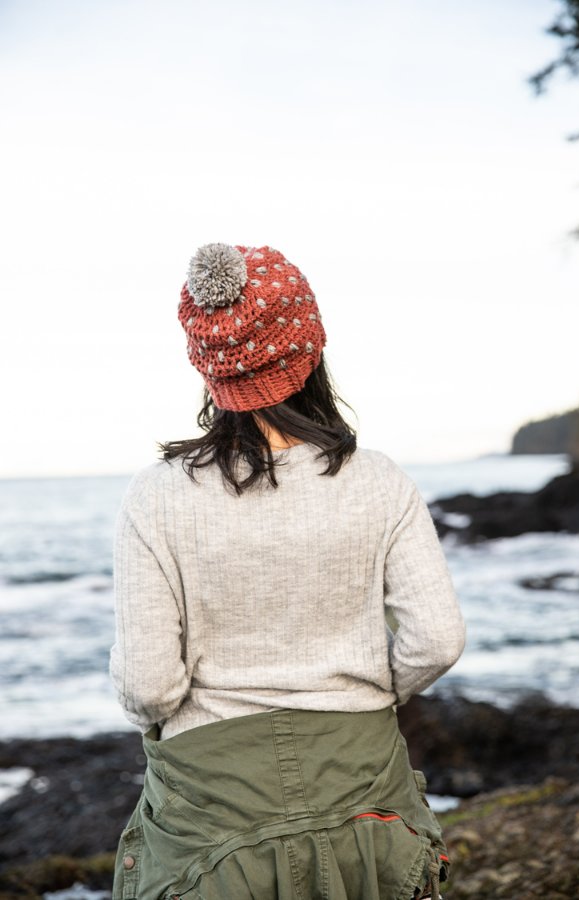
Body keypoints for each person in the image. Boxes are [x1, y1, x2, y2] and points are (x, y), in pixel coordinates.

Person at [109, 242, 466, 900]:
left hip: (208, 818)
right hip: (367, 801)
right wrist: (357, 688)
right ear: (308, 348)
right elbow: (437, 640)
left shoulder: (155, 496)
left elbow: (148, 686)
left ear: (210, 366)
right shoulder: (381, 483)